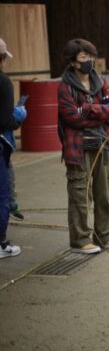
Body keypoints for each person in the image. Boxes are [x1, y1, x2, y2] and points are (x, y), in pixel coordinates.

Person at [58, 39, 109, 254]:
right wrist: (98, 111)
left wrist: (86, 109)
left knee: (104, 191)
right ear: (73, 61)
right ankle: (80, 240)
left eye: (91, 56)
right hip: (78, 146)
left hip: (103, 142)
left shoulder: (100, 81)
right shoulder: (65, 86)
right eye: (84, 57)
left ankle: (104, 235)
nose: (89, 61)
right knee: (80, 194)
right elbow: (71, 117)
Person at [0, 38, 24, 258]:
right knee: (2, 196)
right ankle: (1, 244)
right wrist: (19, 117)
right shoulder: (3, 82)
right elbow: (6, 121)